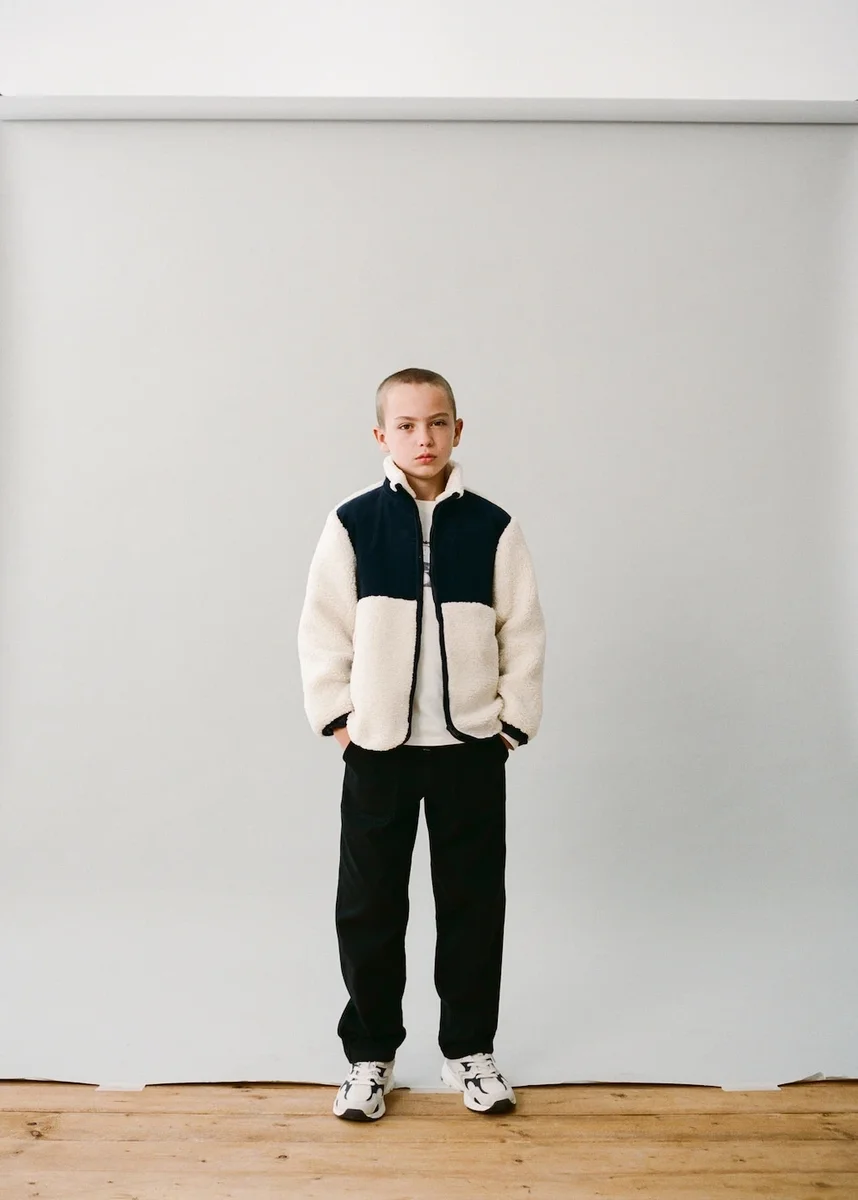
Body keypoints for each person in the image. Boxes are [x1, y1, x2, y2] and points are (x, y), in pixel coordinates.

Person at [297, 367, 546, 1121]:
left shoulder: (493, 526)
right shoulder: (353, 522)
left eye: (437, 423)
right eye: (406, 425)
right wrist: (341, 720)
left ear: (457, 429)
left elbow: (523, 630)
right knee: (369, 906)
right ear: (382, 435)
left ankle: (470, 1052)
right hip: (379, 751)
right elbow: (323, 628)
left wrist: (509, 723)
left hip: (470, 750)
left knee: (472, 906)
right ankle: (369, 1058)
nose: (423, 438)